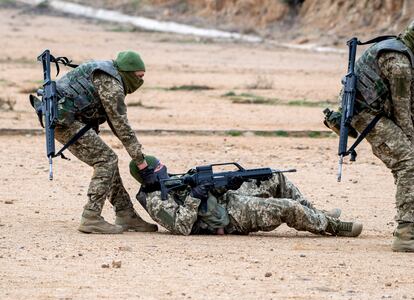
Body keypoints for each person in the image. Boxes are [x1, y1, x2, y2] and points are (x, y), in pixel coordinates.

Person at [32, 51, 159, 234]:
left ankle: (126, 214)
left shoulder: (108, 71)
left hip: (61, 116)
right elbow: (121, 125)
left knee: (107, 159)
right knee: (106, 160)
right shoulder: (112, 85)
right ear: (127, 72)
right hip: (62, 120)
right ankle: (91, 216)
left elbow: (114, 122)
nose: (140, 81)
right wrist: (140, 161)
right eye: (139, 76)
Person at [324, 22, 414, 252]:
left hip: (377, 108)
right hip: (366, 115)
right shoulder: (399, 63)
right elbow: (403, 115)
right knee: (407, 162)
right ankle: (406, 234)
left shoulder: (402, 50)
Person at [129, 156, 363, 237]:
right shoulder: (156, 201)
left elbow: (205, 191)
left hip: (226, 200)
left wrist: (227, 184)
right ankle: (333, 226)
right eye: (159, 168)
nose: (165, 169)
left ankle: (316, 213)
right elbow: (181, 227)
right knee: (287, 208)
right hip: (229, 217)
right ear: (149, 177)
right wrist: (194, 197)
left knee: (273, 177)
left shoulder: (170, 182)